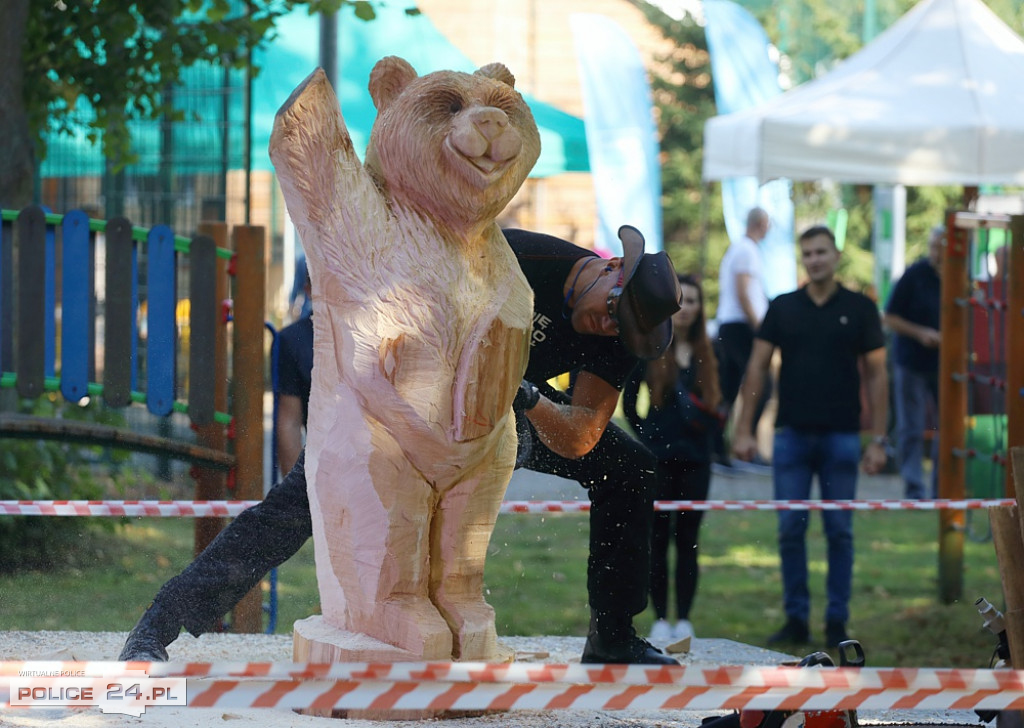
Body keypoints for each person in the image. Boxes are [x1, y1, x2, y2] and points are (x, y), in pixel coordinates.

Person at [120, 226, 683, 666]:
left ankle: (613, 636)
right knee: (302, 503)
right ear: (611, 267)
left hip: (507, 409)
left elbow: (582, 435)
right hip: (410, 388)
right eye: (611, 310)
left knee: (629, 468)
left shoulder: (624, 333)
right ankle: (159, 624)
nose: (606, 326)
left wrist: (525, 395)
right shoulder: (516, 256)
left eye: (621, 329)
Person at [732, 225, 888, 649]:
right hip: (791, 437)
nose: (815, 259)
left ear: (836, 255)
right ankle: (796, 619)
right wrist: (744, 428)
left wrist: (878, 439)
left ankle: (837, 622)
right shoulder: (783, 307)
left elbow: (877, 375)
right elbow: (756, 367)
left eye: (821, 252)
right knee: (788, 530)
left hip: (842, 436)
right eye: (808, 254)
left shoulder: (860, 308)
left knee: (839, 531)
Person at [622, 274, 722, 644]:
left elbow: (720, 405)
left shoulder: (712, 353)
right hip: (660, 459)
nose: (686, 309)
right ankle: (661, 617)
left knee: (689, 540)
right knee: (658, 539)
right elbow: (630, 404)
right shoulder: (650, 349)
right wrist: (647, 436)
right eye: (681, 301)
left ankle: (685, 618)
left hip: (697, 459)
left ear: (700, 308)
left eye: (694, 301)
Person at [883, 225, 943, 499]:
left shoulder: (961, 277)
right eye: (933, 246)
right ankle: (913, 487)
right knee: (911, 425)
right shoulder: (914, 276)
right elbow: (890, 317)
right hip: (911, 361)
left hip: (947, 364)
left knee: (949, 427)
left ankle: (942, 486)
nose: (937, 252)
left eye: (941, 246)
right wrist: (921, 334)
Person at [715, 207, 771, 467]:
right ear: (761, 223)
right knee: (759, 384)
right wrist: (759, 327)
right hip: (740, 327)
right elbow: (743, 291)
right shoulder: (746, 250)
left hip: (734, 325)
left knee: (730, 386)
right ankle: (741, 444)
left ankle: (723, 447)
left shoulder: (742, 248)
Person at [276, 273, 314, 476]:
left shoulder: (382, 335)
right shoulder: (294, 341)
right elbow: (289, 422)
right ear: (308, 289)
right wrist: (297, 497)